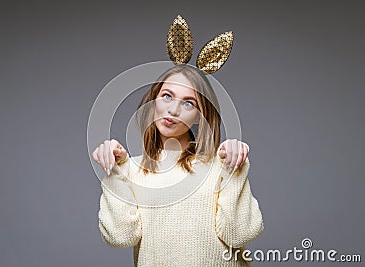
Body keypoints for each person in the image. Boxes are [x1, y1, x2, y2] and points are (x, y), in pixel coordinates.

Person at [92, 64, 264, 266]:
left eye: (188, 103)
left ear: (201, 116)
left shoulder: (221, 165)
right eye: (167, 96)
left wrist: (233, 167)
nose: (173, 110)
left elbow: (240, 234)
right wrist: (115, 170)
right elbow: (119, 237)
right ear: (154, 100)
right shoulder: (130, 169)